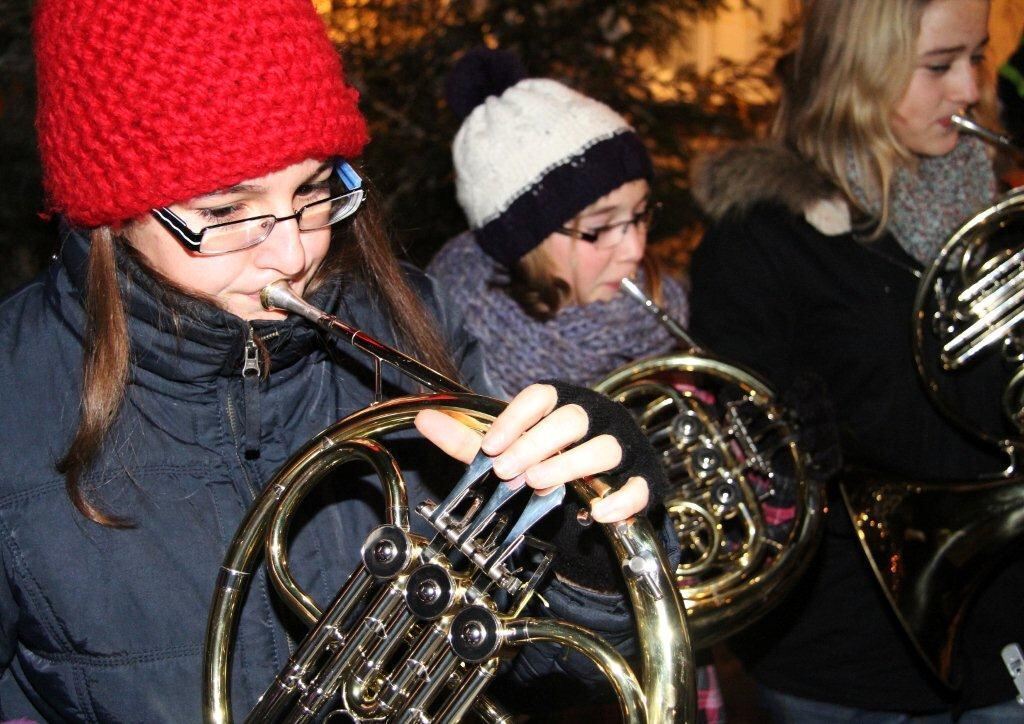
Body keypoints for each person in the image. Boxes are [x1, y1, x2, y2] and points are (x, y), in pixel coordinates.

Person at [0, 1, 667, 720]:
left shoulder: (414, 322)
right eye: (227, 212)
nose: (294, 253)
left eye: (315, 190)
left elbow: (540, 667)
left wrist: (583, 553)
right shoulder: (16, 394)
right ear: (110, 211)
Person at [688, 0, 1024, 721]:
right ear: (856, 68)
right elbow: (750, 467)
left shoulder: (989, 207)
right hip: (842, 652)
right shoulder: (759, 241)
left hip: (1003, 620)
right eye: (938, 65)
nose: (968, 89)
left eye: (978, 57)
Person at [427, 49, 723, 722]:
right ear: (522, 242)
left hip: (671, 639)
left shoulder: (663, 302)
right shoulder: (462, 346)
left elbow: (708, 469)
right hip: (544, 678)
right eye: (599, 228)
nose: (635, 249)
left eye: (643, 213)